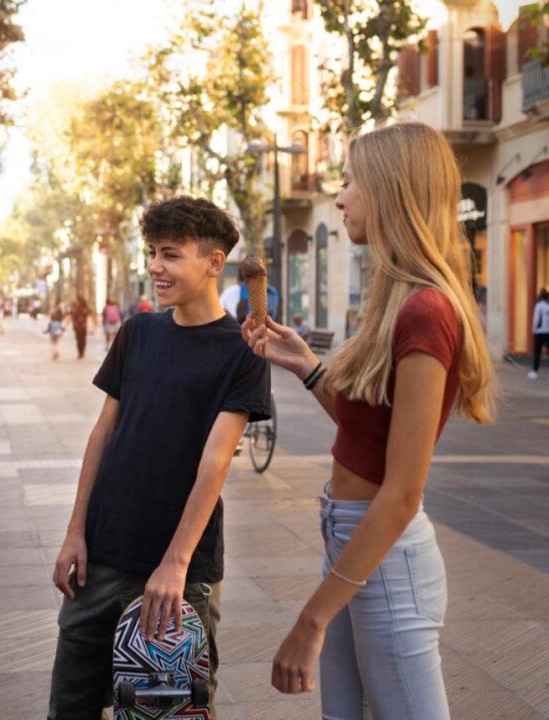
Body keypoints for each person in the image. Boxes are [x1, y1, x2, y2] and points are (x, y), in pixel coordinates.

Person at [243, 122, 497, 718]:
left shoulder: (426, 310)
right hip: (351, 542)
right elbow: (367, 434)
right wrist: (307, 367)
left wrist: (312, 619)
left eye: (350, 181)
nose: (339, 197)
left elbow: (403, 491)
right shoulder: (395, 298)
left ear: (389, 189)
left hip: (385, 555)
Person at [48, 196, 271, 719]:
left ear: (214, 263)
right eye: (152, 252)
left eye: (170, 254)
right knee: (69, 708)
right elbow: (104, 434)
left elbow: (215, 463)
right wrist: (74, 530)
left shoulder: (243, 350)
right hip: (99, 560)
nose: (154, 266)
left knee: (168, 715)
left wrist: (174, 565)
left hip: (180, 575)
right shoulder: (138, 332)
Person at [530, 288, 549, 379]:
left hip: (539, 332)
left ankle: (535, 372)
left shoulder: (538, 306)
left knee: (537, 353)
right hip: (547, 332)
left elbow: (536, 319)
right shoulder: (548, 306)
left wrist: (534, 330)